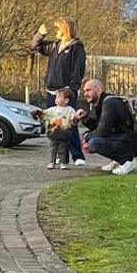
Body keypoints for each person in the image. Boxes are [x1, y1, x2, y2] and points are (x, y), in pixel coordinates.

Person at [41, 19, 88, 166]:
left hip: (66, 91)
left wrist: (72, 89)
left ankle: (77, 155)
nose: (55, 31)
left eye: (58, 28)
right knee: (55, 124)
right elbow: (37, 47)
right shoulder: (54, 46)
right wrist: (40, 35)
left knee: (69, 123)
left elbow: (77, 69)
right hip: (51, 91)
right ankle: (61, 157)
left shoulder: (76, 47)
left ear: (65, 29)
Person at [82, 79, 137, 175]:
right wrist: (85, 118)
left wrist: (87, 137)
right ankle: (116, 160)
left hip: (128, 141)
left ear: (99, 90)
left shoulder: (110, 103)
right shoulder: (102, 102)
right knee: (90, 137)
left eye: (88, 90)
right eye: (84, 91)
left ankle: (127, 162)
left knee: (94, 143)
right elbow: (97, 127)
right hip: (122, 139)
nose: (85, 94)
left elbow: (103, 131)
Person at [44, 90, 79, 170]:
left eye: (58, 97)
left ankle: (62, 162)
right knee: (53, 148)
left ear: (66, 100)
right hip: (54, 133)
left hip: (64, 133)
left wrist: (73, 121)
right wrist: (39, 113)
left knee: (62, 149)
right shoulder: (53, 109)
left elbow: (73, 119)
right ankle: (51, 162)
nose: (56, 99)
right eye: (56, 97)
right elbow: (45, 113)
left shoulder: (70, 110)